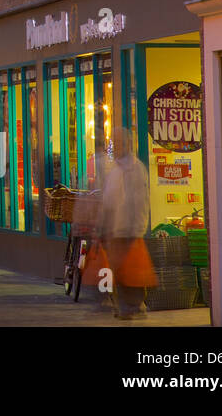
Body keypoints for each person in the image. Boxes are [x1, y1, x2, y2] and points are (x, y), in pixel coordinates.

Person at [98, 128, 155, 319]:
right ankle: (128, 306)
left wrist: (137, 228)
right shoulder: (114, 169)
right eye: (114, 142)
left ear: (128, 143)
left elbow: (140, 201)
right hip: (116, 229)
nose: (116, 146)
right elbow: (109, 199)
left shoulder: (135, 169)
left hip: (128, 229)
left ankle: (134, 306)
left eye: (120, 142)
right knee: (121, 270)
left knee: (130, 269)